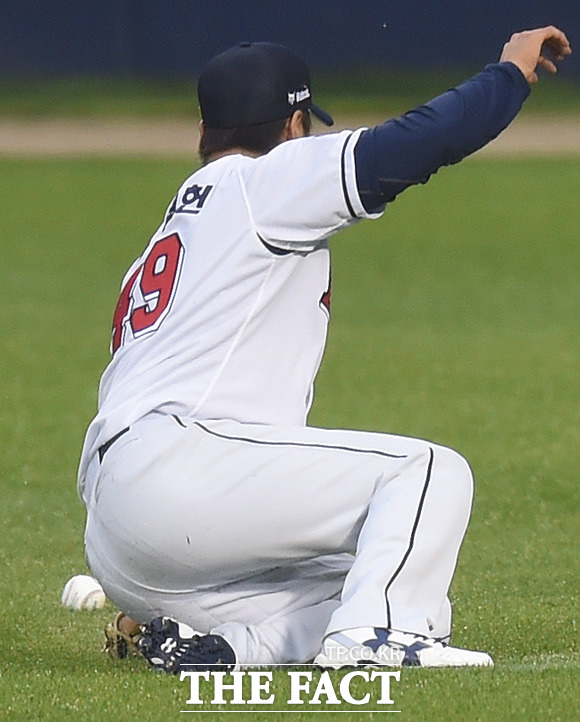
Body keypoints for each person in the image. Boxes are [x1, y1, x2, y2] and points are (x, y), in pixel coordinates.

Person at [78, 27, 571, 672]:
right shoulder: (262, 182)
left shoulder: (179, 228)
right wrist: (509, 75)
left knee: (382, 566)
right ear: (292, 125)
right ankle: (375, 641)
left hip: (125, 537)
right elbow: (417, 141)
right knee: (427, 475)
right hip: (181, 474)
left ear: (206, 126)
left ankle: (224, 647)